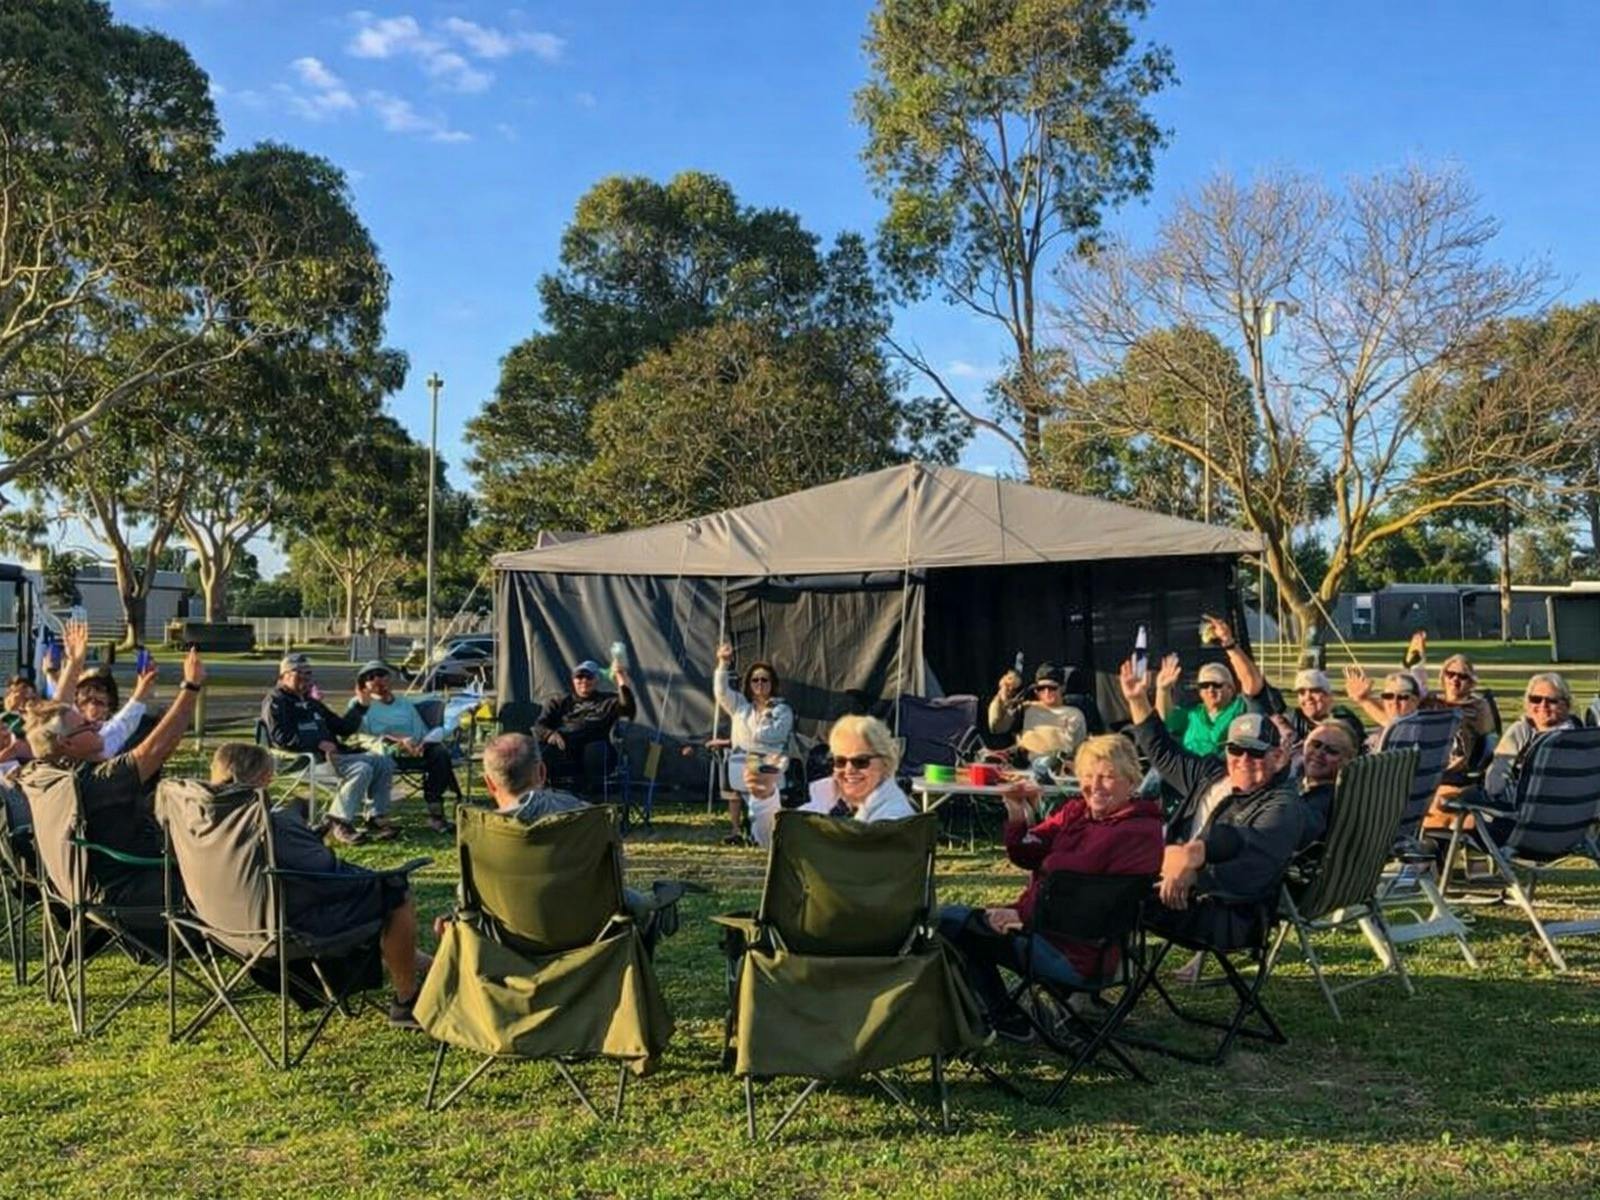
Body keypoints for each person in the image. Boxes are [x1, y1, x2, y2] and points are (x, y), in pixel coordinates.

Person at [937, 734, 1164, 1040]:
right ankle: (996, 1015)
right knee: (950, 921)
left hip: (1078, 956)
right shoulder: (1076, 812)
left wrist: (1021, 918)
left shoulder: (1138, 832)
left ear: (1132, 782)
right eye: (1087, 776)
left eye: (1108, 777)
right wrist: (1020, 814)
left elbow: (1079, 897)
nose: (1095, 786)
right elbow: (1028, 852)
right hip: (1046, 932)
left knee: (947, 923)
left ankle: (1003, 1018)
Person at [208, 743, 430, 1029]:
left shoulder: (199, 818)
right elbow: (329, 873)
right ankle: (406, 1000)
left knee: (366, 897)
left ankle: (426, 964)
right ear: (266, 779)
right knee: (392, 890)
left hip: (218, 924)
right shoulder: (270, 825)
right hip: (282, 929)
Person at [18, 648, 206, 940]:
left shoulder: (43, 773)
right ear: (68, 745)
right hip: (137, 891)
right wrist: (191, 687)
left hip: (88, 895)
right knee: (233, 876)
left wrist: (74, 663)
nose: (95, 723)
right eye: (85, 725)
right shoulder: (97, 783)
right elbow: (156, 750)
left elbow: (53, 720)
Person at [1121, 659, 1307, 952]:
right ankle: (1091, 976)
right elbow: (1162, 750)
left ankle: (1084, 983)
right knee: (1093, 872)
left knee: (1109, 897)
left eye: (1256, 752)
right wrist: (1137, 699)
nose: (1243, 760)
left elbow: (1251, 860)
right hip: (1170, 880)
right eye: (1235, 749)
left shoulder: (1282, 804)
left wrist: (1192, 863)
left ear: (1278, 757)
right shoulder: (1212, 773)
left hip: (1224, 913)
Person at [478, 732, 675, 954]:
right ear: (542, 772)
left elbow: (469, 897)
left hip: (509, 950)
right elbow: (615, 878)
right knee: (633, 902)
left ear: (489, 784)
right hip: (590, 943)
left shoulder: (479, 833)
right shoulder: (587, 817)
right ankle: (650, 909)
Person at [261, 652, 390, 845]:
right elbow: (280, 737)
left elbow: (342, 727)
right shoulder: (276, 701)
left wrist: (361, 704)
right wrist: (316, 743)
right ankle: (338, 824)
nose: (305, 678)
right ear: (284, 675)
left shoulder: (312, 703)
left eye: (309, 673)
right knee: (361, 769)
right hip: (302, 761)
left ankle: (375, 818)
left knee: (382, 762)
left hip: (331, 757)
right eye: (299, 673)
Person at [347, 660, 458, 834]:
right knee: (378, 760)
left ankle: (435, 813)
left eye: (381, 674)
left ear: (389, 678)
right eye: (370, 677)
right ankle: (376, 818)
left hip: (414, 748)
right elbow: (366, 734)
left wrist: (420, 743)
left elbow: (419, 728)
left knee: (440, 753)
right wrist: (398, 741)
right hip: (383, 750)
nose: (377, 679)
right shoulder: (360, 703)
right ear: (363, 684)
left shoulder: (403, 702)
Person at [713, 644, 794, 846]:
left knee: (762, 798)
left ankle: (763, 834)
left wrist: (762, 721)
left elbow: (776, 735)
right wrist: (723, 663)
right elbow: (721, 692)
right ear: (749, 684)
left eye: (764, 680)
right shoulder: (740, 706)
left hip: (767, 762)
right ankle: (736, 831)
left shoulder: (782, 709)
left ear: (772, 683)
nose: (759, 683)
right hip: (741, 761)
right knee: (733, 774)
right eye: (754, 680)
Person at [532, 656, 636, 796]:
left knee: (595, 750)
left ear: (597, 680)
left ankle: (591, 795)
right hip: (563, 747)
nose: (584, 681)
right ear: (573, 680)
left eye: (589, 677)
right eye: (579, 677)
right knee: (536, 749)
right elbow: (539, 726)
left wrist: (621, 678)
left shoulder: (608, 701)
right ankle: (541, 794)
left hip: (595, 751)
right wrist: (550, 734)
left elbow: (628, 708)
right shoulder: (559, 701)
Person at [1483, 673, 1582, 804]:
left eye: (1551, 700)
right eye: (1536, 699)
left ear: (1566, 704)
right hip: (1577, 813)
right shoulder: (1582, 734)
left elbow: (1496, 776)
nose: (1543, 705)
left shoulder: (1522, 731)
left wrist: (1491, 802)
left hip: (1524, 813)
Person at [1155, 652, 1250, 759]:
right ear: (1200, 692)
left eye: (1217, 684)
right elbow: (1165, 718)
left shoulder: (1241, 707)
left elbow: (1251, 688)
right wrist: (1163, 690)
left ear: (1231, 689)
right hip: (1191, 768)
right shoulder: (1192, 714)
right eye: (1204, 685)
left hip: (1224, 768)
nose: (1210, 689)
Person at [825, 714, 916, 822]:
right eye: (840, 761)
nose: (848, 769)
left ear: (885, 764)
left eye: (861, 761)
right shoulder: (835, 803)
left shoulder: (891, 819)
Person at [987, 663, 1091, 758]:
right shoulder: (1025, 709)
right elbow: (996, 727)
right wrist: (1001, 694)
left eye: (1052, 688)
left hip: (1059, 769)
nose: (1046, 692)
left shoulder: (1075, 714)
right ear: (1036, 691)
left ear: (1062, 688)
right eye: (1041, 688)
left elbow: (1081, 751)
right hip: (1025, 769)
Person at [75, 664, 159, 758]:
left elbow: (124, 722)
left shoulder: (126, 731)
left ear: (110, 699)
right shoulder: (68, 729)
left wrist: (143, 688)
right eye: (86, 690)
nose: (92, 694)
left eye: (99, 689)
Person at [1344, 667, 1421, 748]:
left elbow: (1394, 725)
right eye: (1388, 696)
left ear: (1415, 701)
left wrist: (1363, 700)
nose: (1394, 702)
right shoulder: (1385, 726)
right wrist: (1363, 699)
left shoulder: (1421, 725)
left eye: (1402, 697)